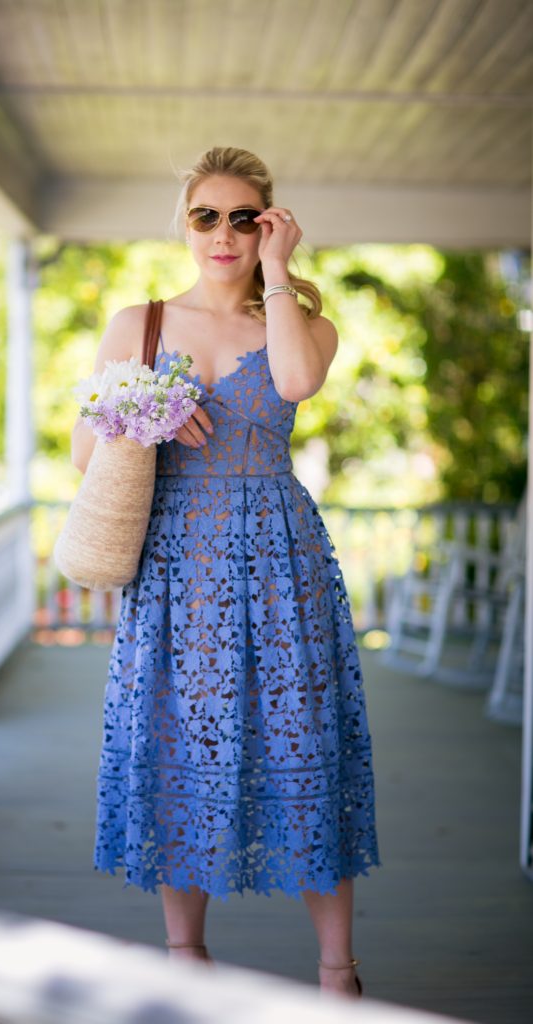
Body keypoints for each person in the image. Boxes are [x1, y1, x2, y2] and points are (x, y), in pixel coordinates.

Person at [71, 146, 380, 998]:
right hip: (174, 566)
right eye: (206, 215)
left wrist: (276, 273)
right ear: (185, 223)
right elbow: (81, 450)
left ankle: (336, 974)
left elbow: (292, 380)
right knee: (177, 744)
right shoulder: (139, 323)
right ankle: (186, 962)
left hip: (280, 565)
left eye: (244, 217)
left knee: (303, 747)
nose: (223, 233)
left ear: (268, 224)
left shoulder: (305, 322)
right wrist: (147, 410)